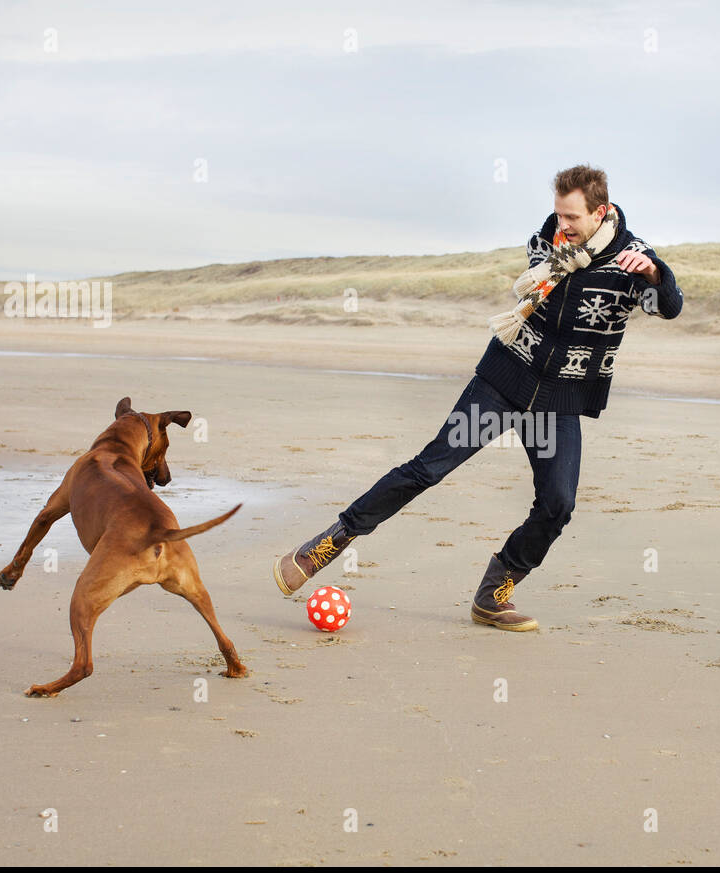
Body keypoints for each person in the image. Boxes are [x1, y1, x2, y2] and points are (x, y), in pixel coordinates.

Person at [273, 164, 684, 631]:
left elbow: (668, 307)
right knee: (427, 469)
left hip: (557, 402)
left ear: (600, 211)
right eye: (558, 215)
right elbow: (550, 279)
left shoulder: (633, 259)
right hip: (504, 382)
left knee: (557, 504)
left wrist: (655, 273)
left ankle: (496, 591)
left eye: (571, 218)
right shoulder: (545, 245)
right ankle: (326, 543)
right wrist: (569, 250)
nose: (562, 226)